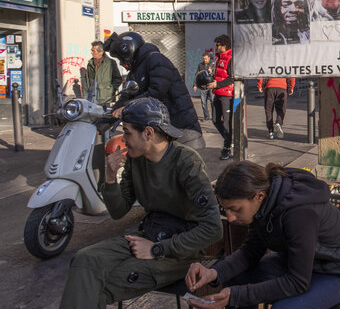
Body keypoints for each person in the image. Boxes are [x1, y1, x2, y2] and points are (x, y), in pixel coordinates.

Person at [59, 97, 223, 309]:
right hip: (148, 235)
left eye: (127, 132)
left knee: (98, 286)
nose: (124, 140)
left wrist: (157, 249)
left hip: (181, 250)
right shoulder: (137, 159)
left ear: (148, 133)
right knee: (84, 260)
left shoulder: (186, 162)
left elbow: (213, 229)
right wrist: (109, 177)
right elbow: (118, 211)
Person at [184, 161, 340, 309]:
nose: (231, 218)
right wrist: (215, 272)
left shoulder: (299, 213)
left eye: (235, 209)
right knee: (234, 279)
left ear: (259, 196)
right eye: (226, 210)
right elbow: (250, 251)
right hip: (302, 263)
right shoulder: (264, 203)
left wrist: (236, 295)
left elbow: (297, 282)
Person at [104, 32, 205, 150]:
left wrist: (127, 107)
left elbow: (157, 90)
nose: (121, 63)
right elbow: (126, 97)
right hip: (164, 131)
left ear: (128, 50)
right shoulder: (135, 71)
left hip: (182, 129)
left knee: (184, 165)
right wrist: (103, 122)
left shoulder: (156, 59)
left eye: (120, 58)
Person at [209, 35, 234, 160]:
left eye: (218, 45)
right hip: (217, 93)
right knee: (215, 120)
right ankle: (229, 139)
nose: (216, 47)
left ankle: (227, 148)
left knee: (226, 123)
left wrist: (217, 84)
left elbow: (232, 77)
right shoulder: (219, 57)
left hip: (227, 95)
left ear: (224, 46)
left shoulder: (231, 58)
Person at [193, 52, 215, 121]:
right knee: (203, 102)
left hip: (211, 86)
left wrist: (211, 72)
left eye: (206, 59)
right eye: (203, 59)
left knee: (212, 101)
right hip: (203, 86)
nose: (205, 60)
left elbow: (216, 75)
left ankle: (214, 116)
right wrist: (195, 85)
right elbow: (197, 75)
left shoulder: (212, 65)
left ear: (209, 58)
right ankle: (206, 116)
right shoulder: (200, 65)